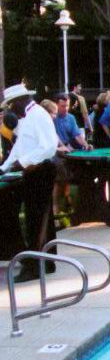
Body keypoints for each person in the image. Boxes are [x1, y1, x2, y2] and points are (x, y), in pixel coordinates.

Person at [1, 83, 59, 279]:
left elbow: (48, 147)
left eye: (11, 104)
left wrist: (23, 162)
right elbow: (20, 146)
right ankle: (47, 262)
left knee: (36, 220)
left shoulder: (38, 115)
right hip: (33, 171)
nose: (10, 109)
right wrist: (4, 167)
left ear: (20, 101)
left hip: (41, 170)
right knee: (42, 220)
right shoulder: (27, 118)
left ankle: (34, 268)